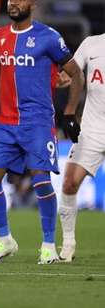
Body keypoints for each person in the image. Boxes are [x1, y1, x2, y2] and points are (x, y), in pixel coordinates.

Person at [0, 0, 83, 265]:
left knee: (42, 180)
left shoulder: (48, 37)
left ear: (33, 5)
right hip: (6, 124)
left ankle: (48, 245)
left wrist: (69, 113)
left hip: (38, 123)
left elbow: (76, 74)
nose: (13, 2)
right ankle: (6, 240)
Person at [55, 32, 105, 262]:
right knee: (69, 181)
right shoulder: (92, 44)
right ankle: (68, 243)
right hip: (93, 128)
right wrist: (62, 78)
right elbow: (71, 73)